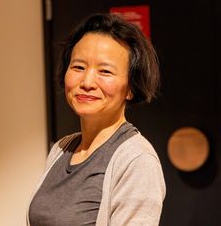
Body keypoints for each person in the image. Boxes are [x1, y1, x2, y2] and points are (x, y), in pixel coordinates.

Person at [28, 13, 166, 226]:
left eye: (105, 71)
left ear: (131, 88)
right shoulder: (61, 149)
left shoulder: (137, 160)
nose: (87, 81)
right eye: (78, 67)